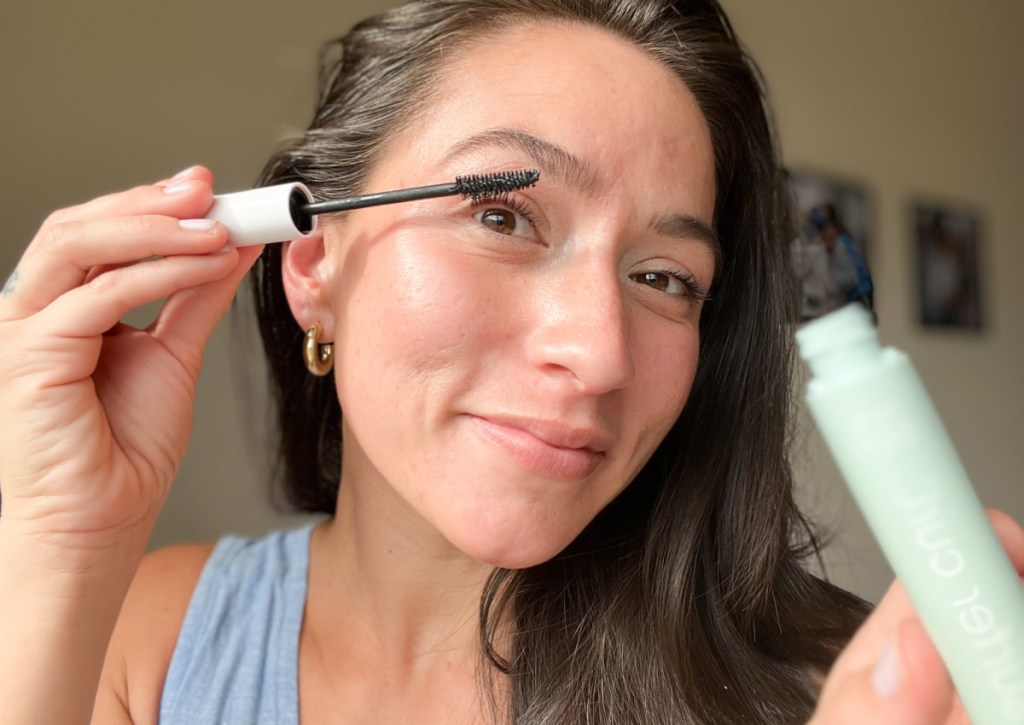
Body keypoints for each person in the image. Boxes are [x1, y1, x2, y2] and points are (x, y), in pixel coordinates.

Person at [0, 1, 1019, 723]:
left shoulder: (832, 689)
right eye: (501, 215)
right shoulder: (143, 634)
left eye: (664, 277)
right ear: (311, 262)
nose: (597, 352)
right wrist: (60, 543)